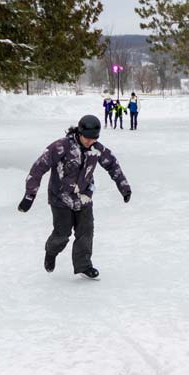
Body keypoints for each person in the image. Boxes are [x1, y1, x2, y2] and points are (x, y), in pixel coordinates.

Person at [17, 114, 131, 280]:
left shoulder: (96, 149)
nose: (90, 142)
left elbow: (113, 165)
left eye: (94, 139)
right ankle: (51, 251)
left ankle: (84, 265)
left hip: (84, 197)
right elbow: (38, 168)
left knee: (86, 232)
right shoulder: (61, 147)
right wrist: (29, 195)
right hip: (60, 198)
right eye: (87, 138)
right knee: (62, 234)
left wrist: (124, 187)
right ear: (79, 132)